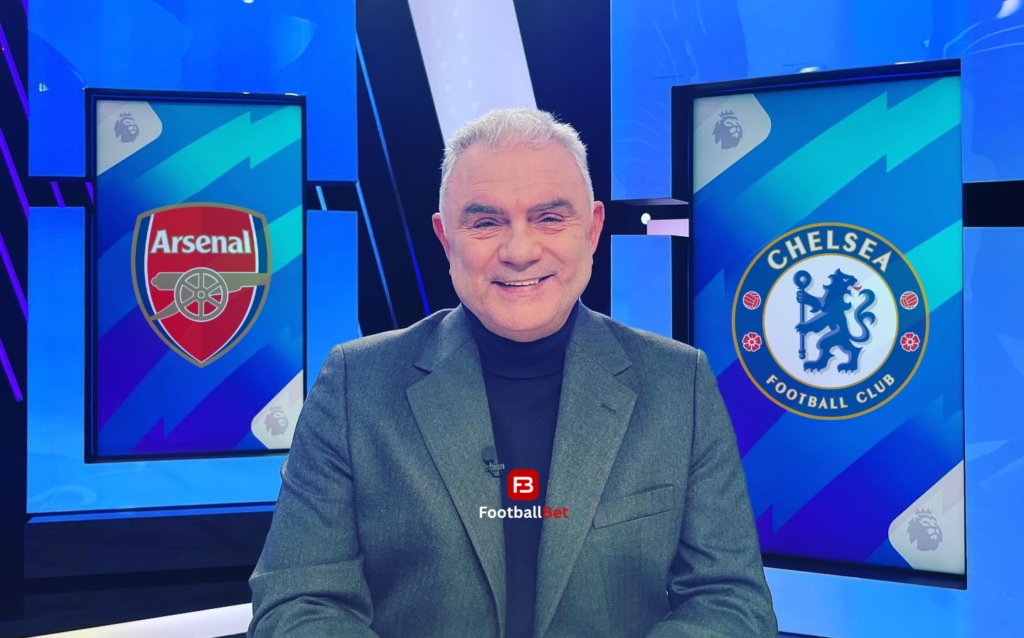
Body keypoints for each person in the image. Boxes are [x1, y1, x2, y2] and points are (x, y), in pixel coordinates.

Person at [248, 108, 777, 638]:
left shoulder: (678, 382)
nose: (520, 251)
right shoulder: (355, 384)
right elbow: (297, 601)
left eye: (550, 218)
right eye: (486, 222)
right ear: (446, 239)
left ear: (593, 229)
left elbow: (729, 600)